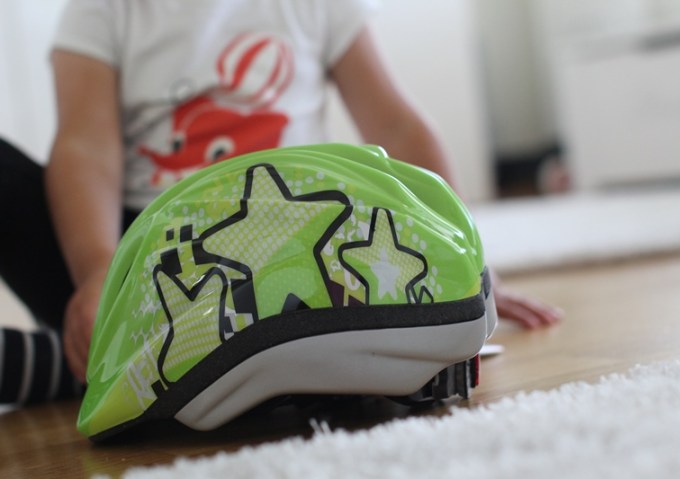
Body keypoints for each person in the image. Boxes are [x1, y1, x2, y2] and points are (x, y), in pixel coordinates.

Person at [0, 0, 561, 405]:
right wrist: (97, 272)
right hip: (141, 268)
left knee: (356, 250)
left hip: (291, 248)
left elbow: (396, 124)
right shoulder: (104, 8)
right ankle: (117, 354)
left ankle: (114, 371)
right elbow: (86, 147)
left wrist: (464, 261)